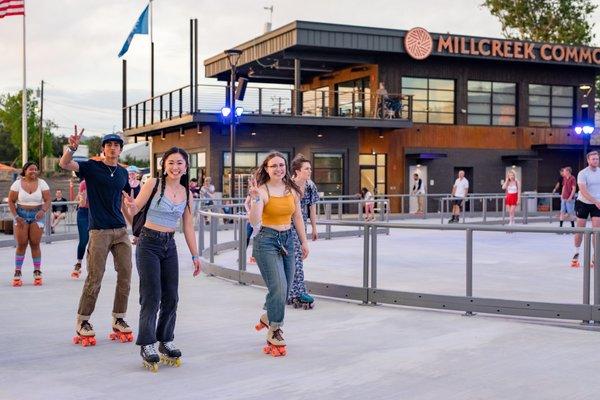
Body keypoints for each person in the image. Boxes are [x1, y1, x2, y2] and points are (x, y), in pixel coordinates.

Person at [123, 147, 201, 371]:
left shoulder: (188, 193)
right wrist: (131, 204)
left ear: (186, 167)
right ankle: (147, 343)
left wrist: (196, 255)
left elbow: (187, 226)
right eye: (171, 163)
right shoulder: (154, 184)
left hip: (169, 244)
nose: (175, 167)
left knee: (171, 296)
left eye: (180, 163)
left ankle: (165, 340)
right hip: (148, 243)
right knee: (151, 296)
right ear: (164, 165)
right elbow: (137, 207)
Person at [59, 128, 134, 347]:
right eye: (108, 145)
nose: (112, 148)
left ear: (120, 150)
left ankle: (119, 317)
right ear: (102, 149)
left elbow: (124, 202)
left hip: (120, 230)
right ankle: (83, 321)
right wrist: (71, 148)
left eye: (116, 145)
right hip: (99, 231)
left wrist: (134, 227)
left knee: (126, 275)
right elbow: (65, 164)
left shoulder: (122, 173)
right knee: (95, 276)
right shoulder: (92, 167)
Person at [248, 151, 309, 357]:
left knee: (287, 287)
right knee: (279, 285)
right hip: (266, 240)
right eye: (273, 166)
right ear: (266, 169)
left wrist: (303, 241)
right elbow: (255, 221)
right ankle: (275, 329)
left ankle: (269, 316)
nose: (278, 169)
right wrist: (255, 200)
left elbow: (298, 216)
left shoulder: (291, 189)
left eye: (281, 165)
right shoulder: (262, 191)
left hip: (288, 239)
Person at [7, 162, 51, 286]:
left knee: (35, 243)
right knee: (21, 244)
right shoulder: (17, 184)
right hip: (21, 215)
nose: (33, 171)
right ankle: (17, 271)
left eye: (35, 170)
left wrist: (43, 210)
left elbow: (48, 199)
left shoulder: (42, 183)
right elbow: (11, 201)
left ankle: (37, 271)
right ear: (25, 171)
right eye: (31, 169)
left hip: (37, 216)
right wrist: (16, 216)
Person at [288, 154, 320, 309]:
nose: (310, 171)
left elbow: (312, 207)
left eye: (310, 168)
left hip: (301, 225)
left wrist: (314, 227)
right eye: (306, 169)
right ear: (297, 171)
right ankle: (297, 291)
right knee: (295, 259)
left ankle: (294, 292)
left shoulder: (310, 186)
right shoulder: (288, 186)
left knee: (297, 258)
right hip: (287, 225)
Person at [572, 151, 600, 268]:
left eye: (597, 159)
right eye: (593, 159)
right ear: (588, 160)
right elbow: (583, 190)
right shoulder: (582, 173)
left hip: (597, 204)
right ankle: (576, 253)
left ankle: (595, 256)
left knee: (596, 231)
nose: (595, 161)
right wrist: (595, 201)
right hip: (583, 203)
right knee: (580, 230)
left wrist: (597, 202)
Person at [71, 178, 90, 279]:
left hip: (96, 213)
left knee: (96, 241)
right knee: (84, 240)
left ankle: (93, 266)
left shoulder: (101, 181)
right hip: (83, 212)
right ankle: (78, 263)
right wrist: (83, 198)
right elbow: (82, 203)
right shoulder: (84, 183)